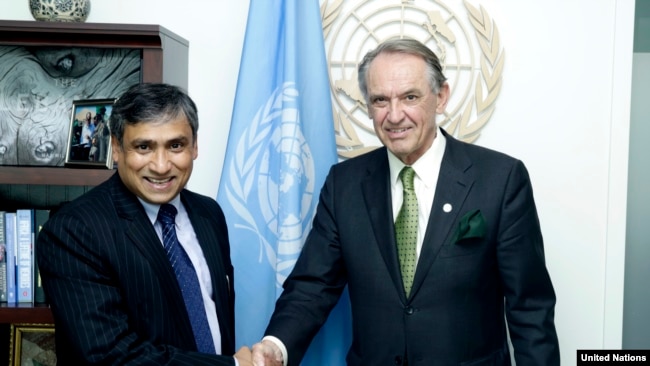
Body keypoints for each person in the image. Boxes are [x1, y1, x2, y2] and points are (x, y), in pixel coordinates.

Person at [252, 38, 560, 366]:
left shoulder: (500, 180)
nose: (395, 115)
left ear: (441, 96)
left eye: (410, 97)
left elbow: (530, 309)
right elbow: (313, 286)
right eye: (380, 100)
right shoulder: (344, 185)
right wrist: (277, 346)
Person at [37, 83, 253, 365]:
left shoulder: (209, 213)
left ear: (195, 146)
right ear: (116, 149)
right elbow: (109, 355)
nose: (161, 165)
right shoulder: (73, 232)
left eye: (175, 145)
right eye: (143, 147)